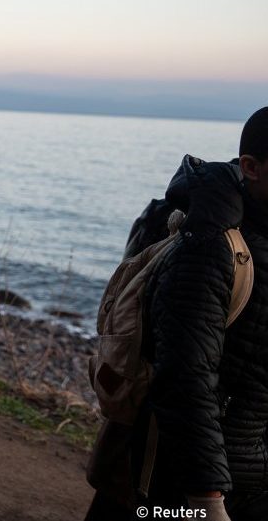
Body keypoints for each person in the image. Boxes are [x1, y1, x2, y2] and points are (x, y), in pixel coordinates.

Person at [86, 107, 268, 521]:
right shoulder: (210, 251)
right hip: (180, 484)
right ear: (251, 167)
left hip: (252, 477)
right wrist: (207, 497)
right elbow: (186, 379)